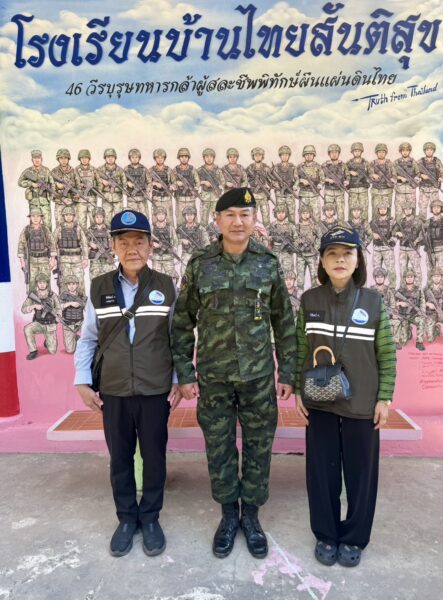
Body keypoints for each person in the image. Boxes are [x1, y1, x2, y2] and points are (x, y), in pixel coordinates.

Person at [172, 188, 296, 560]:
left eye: (245, 214)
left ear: (254, 219)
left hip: (258, 378)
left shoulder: (268, 263)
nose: (238, 222)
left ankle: (252, 517)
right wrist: (185, 373)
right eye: (230, 215)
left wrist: (287, 371)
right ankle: (229, 515)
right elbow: (182, 322)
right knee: (220, 447)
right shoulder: (200, 264)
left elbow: (284, 322)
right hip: (214, 378)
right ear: (218, 220)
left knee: (259, 447)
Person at [74, 209, 181, 558]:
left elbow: (177, 338)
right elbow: (89, 338)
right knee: (120, 458)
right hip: (114, 389)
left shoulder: (165, 286)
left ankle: (150, 518)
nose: (132, 248)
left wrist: (178, 379)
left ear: (150, 246)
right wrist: (82, 381)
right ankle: (126, 519)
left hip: (154, 390)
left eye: (139, 241)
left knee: (154, 457)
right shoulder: (99, 287)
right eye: (124, 242)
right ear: (113, 247)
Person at [295, 225, 396, 568]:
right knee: (321, 473)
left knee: (360, 475)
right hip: (319, 399)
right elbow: (299, 348)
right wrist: (297, 389)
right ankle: (326, 533)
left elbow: (386, 354)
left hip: (362, 403)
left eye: (347, 254)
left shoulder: (373, 302)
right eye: (332, 254)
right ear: (322, 262)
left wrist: (384, 398)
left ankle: (353, 537)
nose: (340, 260)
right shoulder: (309, 300)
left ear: (358, 260)